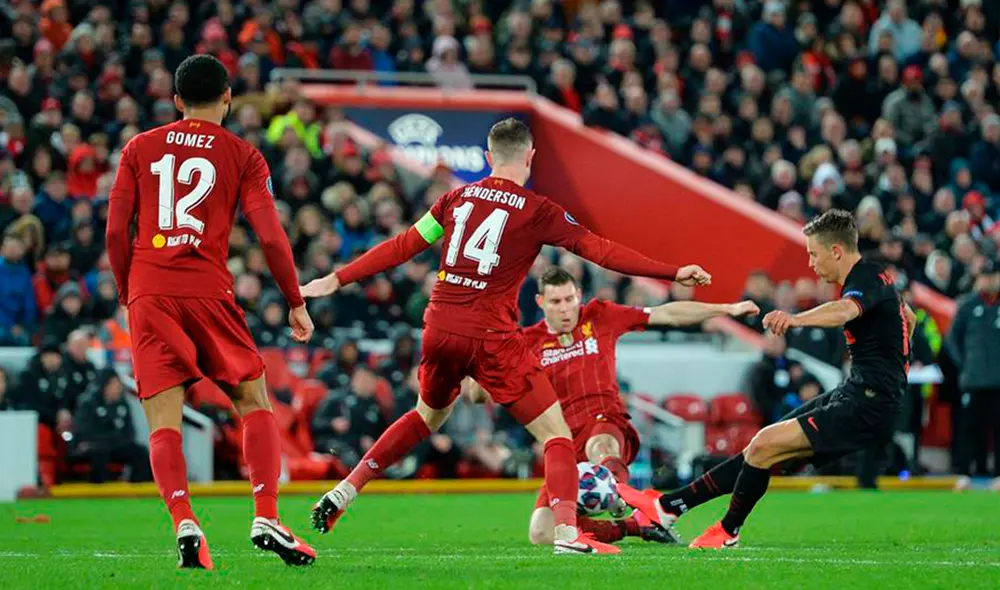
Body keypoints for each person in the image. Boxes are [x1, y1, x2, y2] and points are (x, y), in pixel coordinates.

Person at [302, 118, 711, 555]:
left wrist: (336, 278)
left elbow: (403, 244)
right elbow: (600, 251)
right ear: (530, 158)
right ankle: (569, 535)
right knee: (556, 437)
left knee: (425, 417)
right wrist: (671, 272)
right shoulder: (537, 211)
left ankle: (347, 488)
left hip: (438, 328)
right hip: (490, 335)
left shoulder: (455, 198)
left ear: (487, 158)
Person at [105, 55, 316, 570]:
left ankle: (184, 520)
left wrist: (127, 289)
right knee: (253, 399)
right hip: (208, 290)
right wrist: (294, 300)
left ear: (176, 101)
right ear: (228, 97)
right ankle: (266, 512)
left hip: (150, 290)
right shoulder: (244, 155)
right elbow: (269, 235)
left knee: (163, 420)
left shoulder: (139, 147)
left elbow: (115, 231)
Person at [618, 209, 915, 548]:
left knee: (763, 447)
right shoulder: (878, 278)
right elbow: (908, 316)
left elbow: (845, 312)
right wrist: (900, 365)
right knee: (759, 448)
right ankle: (668, 507)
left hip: (868, 402)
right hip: (862, 392)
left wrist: (796, 319)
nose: (810, 263)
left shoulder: (862, 283)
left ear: (836, 251)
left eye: (813, 254)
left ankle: (725, 530)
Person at [470, 266, 759, 547]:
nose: (565, 309)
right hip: (563, 445)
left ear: (579, 295)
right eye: (556, 302)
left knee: (602, 447)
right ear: (540, 302)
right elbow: (479, 395)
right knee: (542, 533)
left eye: (570, 300)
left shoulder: (599, 316)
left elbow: (667, 313)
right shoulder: (527, 343)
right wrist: (484, 348)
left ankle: (622, 495)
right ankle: (636, 525)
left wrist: (726, 309)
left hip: (604, 421)